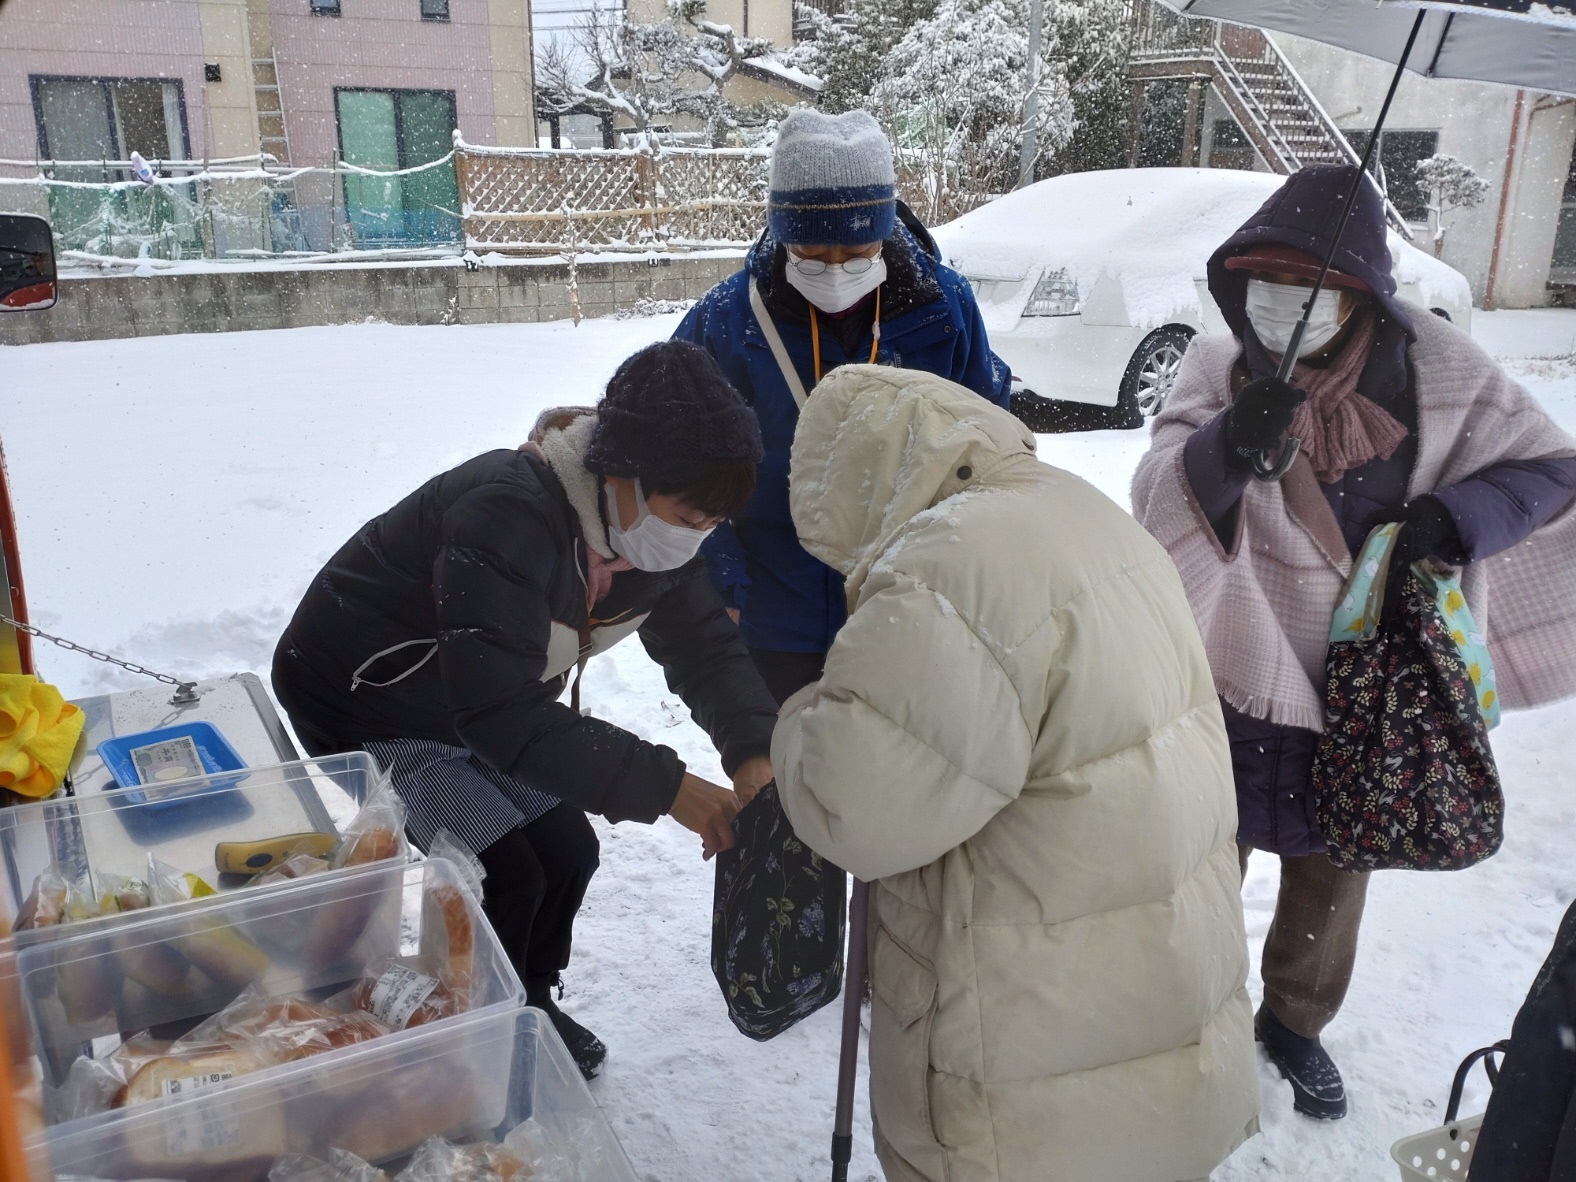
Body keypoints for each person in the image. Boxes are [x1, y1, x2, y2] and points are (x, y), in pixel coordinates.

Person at [1132, 163, 1576, 1121]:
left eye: (1311, 296)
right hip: (1231, 668)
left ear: (1362, 294)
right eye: (1265, 292)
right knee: (1202, 858)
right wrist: (1223, 449)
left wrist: (1454, 519)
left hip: (1369, 690)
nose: (1284, 313)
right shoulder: (1220, 367)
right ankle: (1184, 1014)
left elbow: (1550, 470)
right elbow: (1157, 493)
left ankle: (1294, 1023)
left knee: (1333, 874)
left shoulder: (1442, 370)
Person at [770, 364, 1260, 1182]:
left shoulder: (948, 566)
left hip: (1023, 1049)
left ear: (863, 483)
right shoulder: (1079, 510)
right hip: (1145, 991)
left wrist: (803, 715)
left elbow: (853, 805)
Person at [272, 340, 780, 1079]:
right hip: (366, 704)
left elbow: (705, 648)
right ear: (624, 474)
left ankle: (527, 999)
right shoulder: (506, 514)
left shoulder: (646, 541)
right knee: (503, 872)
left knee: (570, 852)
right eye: (688, 512)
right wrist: (671, 788)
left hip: (472, 697)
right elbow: (501, 716)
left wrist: (752, 749)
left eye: (713, 521)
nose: (695, 534)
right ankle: (469, 1035)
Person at [672, 108, 1010, 708]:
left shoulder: (943, 308)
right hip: (776, 616)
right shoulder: (726, 322)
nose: (833, 270)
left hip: (908, 607)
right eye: (809, 250)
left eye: (855, 250)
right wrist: (723, 581)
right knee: (791, 779)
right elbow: (681, 465)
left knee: (896, 777)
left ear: (883, 228)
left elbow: (990, 448)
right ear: (780, 231)